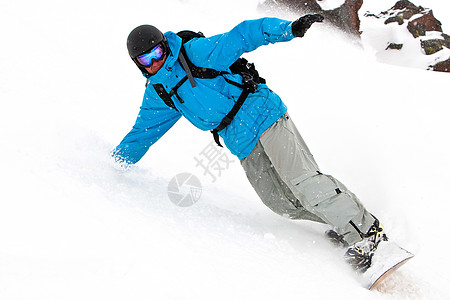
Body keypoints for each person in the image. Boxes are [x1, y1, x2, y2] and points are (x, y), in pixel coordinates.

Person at [113, 15, 388, 272]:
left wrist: (288, 29)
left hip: (263, 113)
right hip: (239, 138)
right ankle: (343, 222)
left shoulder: (194, 52)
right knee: (280, 203)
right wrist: (111, 165)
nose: (154, 62)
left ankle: (367, 233)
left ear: (164, 47)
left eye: (157, 53)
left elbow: (243, 35)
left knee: (302, 180)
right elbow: (142, 132)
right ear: (138, 64)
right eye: (145, 59)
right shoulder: (159, 92)